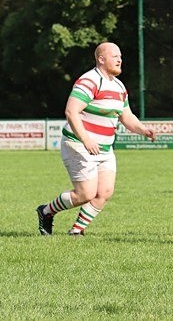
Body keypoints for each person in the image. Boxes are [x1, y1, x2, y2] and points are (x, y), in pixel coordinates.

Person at [36, 42, 156, 236]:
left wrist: (143, 130)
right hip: (79, 145)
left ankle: (76, 231)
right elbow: (71, 111)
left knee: (105, 192)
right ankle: (46, 211)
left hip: (105, 149)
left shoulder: (119, 86)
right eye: (115, 56)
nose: (120, 59)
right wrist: (86, 139)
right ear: (101, 59)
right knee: (85, 194)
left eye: (121, 56)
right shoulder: (90, 80)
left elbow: (126, 116)